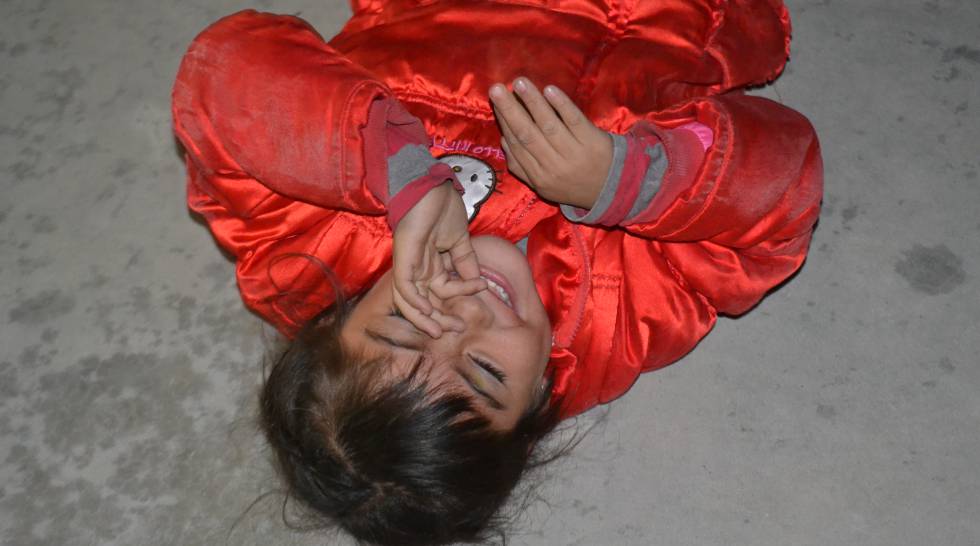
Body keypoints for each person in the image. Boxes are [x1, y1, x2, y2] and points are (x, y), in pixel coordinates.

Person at [171, 1, 822, 544]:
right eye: (485, 370)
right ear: (537, 401)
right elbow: (783, 185)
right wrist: (630, 180)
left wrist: (397, 176)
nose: (467, 311)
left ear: (337, 314)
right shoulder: (620, 312)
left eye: (406, 322)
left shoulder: (310, 240)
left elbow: (223, 72)